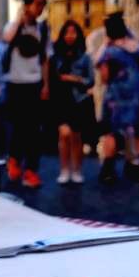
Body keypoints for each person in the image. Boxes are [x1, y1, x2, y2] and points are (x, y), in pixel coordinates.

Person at [95, 12, 139, 184]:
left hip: (117, 97)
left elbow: (104, 76)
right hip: (138, 95)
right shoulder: (136, 47)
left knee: (111, 133)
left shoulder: (109, 51)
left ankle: (108, 172)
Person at [2, 0, 50, 189]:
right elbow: (7, 37)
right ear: (27, 5)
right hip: (15, 83)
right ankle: (14, 160)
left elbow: (45, 60)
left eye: (42, 5)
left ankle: (31, 170)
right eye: (37, 4)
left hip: (34, 84)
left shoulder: (43, 29)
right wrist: (20, 19)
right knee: (18, 126)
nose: (40, 9)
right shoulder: (15, 26)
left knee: (34, 130)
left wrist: (46, 85)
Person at [49, 20, 94, 184]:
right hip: (61, 100)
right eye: (67, 32)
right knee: (64, 135)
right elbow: (52, 78)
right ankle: (64, 169)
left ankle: (77, 170)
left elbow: (91, 81)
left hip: (78, 100)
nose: (70, 36)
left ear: (78, 35)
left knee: (76, 137)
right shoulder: (56, 57)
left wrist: (74, 79)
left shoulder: (85, 57)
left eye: (73, 32)